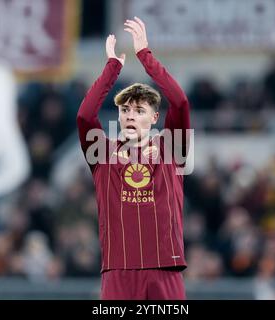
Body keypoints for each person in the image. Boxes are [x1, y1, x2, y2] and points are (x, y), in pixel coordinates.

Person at [77, 17, 191, 300]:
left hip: (165, 267)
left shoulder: (172, 147)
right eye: (125, 110)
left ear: (154, 117)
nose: (129, 115)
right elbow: (85, 115)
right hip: (119, 269)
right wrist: (112, 68)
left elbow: (180, 102)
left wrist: (145, 56)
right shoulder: (102, 154)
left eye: (139, 110)